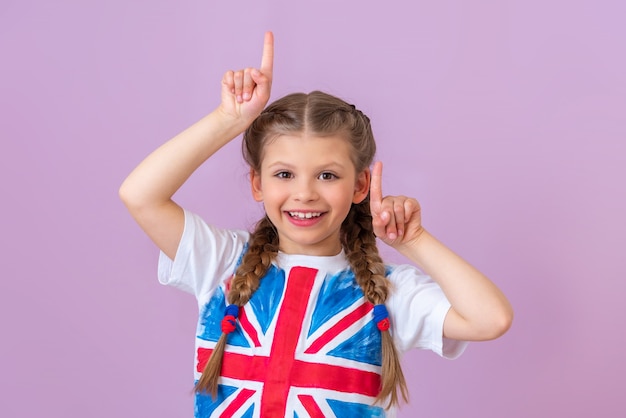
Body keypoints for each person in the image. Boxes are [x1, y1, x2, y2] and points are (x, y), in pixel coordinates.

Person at [119, 32, 513, 417]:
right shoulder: (222, 262)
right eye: (284, 174)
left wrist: (414, 240)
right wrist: (228, 120)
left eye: (327, 175)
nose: (304, 193)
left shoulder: (388, 292)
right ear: (257, 183)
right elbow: (140, 195)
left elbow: (490, 319)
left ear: (360, 185)